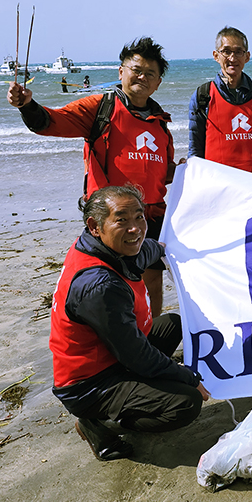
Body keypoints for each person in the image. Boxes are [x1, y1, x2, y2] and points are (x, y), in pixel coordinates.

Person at [7, 37, 174, 319]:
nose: (142, 77)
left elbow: (161, 172)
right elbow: (50, 122)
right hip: (111, 217)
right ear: (121, 72)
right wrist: (27, 105)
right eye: (136, 69)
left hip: (151, 217)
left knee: (152, 281)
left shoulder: (161, 123)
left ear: (158, 83)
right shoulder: (101, 108)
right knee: (114, 282)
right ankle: (120, 343)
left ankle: (151, 340)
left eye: (150, 74)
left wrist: (183, 171)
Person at [50, 185, 211, 461]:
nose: (135, 228)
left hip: (113, 356)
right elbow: (137, 356)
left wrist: (169, 249)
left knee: (171, 324)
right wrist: (187, 376)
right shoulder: (99, 285)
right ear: (95, 225)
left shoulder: (109, 248)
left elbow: (148, 249)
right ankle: (98, 424)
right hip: (90, 384)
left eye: (139, 217)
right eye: (121, 220)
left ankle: (133, 396)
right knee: (186, 402)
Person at [187, 27, 252, 181]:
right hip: (221, 186)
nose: (232, 58)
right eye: (226, 51)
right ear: (216, 55)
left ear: (247, 56)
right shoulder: (203, 95)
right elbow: (195, 149)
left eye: (238, 52)